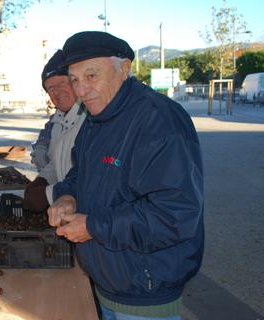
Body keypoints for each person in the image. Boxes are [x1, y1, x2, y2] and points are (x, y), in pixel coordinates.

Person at [48, 31, 204, 320]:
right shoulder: (96, 120)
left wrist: (93, 227)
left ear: (124, 69)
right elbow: (79, 173)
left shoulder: (159, 119)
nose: (81, 90)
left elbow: (174, 216)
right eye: (74, 79)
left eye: (91, 76)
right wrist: (67, 196)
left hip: (146, 293)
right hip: (109, 281)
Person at [23, 49, 87, 213]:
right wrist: (43, 180)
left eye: (62, 83)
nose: (57, 92)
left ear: (75, 82)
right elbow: (56, 161)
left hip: (85, 213)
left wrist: (49, 194)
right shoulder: (57, 122)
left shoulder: (90, 119)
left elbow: (88, 171)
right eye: (50, 88)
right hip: (62, 208)